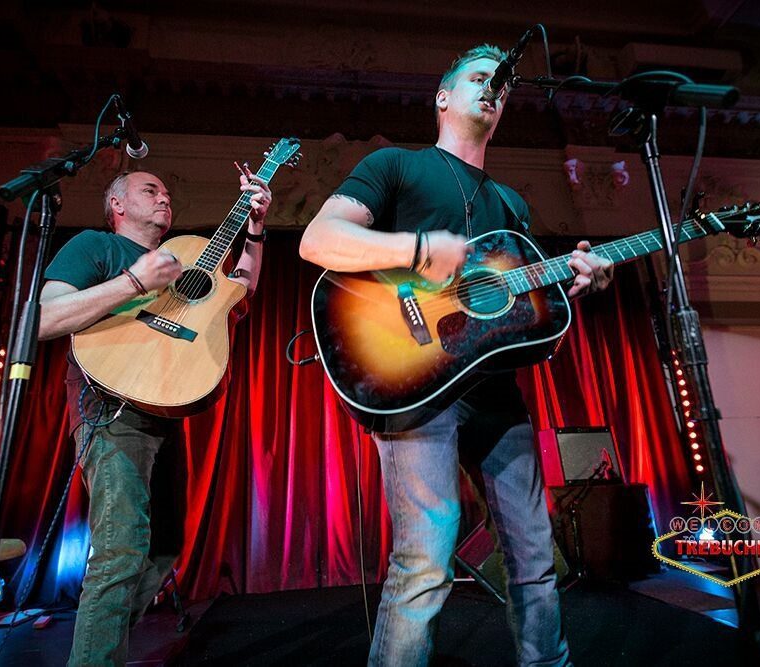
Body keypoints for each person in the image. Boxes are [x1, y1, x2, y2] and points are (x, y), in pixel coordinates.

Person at [299, 44, 614, 666]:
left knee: (535, 555)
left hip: (495, 394)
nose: (493, 87)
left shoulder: (513, 207)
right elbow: (318, 239)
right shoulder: (396, 165)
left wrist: (581, 281)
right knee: (425, 560)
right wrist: (417, 249)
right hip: (411, 384)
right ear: (443, 96)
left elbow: (525, 320)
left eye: (502, 84)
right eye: (478, 76)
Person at [38, 167, 272, 665]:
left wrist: (253, 228)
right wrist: (132, 282)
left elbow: (238, 292)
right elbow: (44, 319)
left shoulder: (185, 256)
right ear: (118, 205)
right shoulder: (94, 246)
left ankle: (102, 651)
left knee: (163, 547)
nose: (165, 197)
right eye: (151, 190)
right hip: (110, 406)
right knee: (120, 550)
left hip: (166, 405)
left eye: (167, 191)